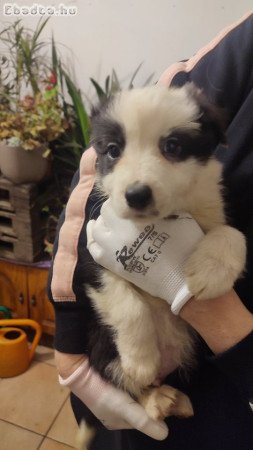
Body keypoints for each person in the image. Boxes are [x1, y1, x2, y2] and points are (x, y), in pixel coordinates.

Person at [48, 11, 253, 450]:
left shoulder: (205, 184)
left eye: (172, 147)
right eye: (115, 150)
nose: (136, 178)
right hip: (130, 365)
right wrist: (71, 354)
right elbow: (91, 252)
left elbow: (220, 233)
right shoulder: (241, 47)